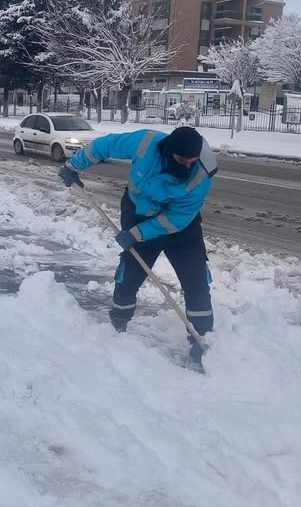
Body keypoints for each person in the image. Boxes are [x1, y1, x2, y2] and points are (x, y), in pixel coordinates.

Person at [58, 126, 218, 364]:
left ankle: (202, 343)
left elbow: (177, 219)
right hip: (138, 211)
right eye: (182, 160)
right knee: (131, 272)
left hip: (182, 228)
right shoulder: (146, 143)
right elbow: (104, 146)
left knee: (196, 281)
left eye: (191, 161)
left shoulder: (201, 174)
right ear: (168, 151)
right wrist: (74, 166)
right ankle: (117, 325)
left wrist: (139, 233)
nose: (187, 166)